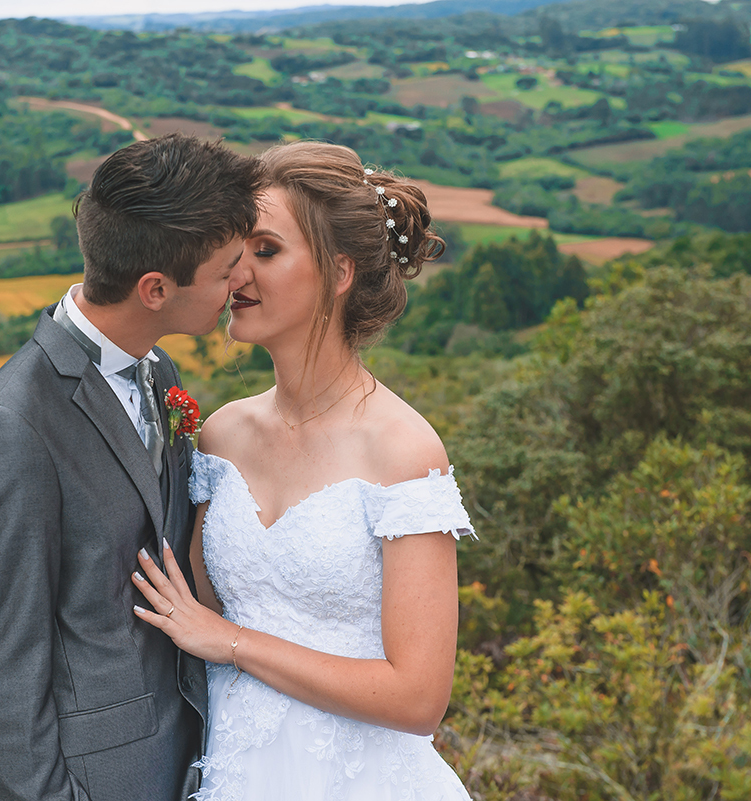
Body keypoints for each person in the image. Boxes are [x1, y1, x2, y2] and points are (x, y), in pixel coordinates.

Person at [131, 140, 477, 800]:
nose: (236, 275)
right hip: (233, 768)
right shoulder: (223, 434)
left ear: (338, 272)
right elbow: (198, 609)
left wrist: (234, 643)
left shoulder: (403, 450)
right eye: (236, 252)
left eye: (265, 251)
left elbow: (418, 698)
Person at [0, 134, 265, 801]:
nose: (241, 280)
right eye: (227, 268)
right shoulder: (7, 429)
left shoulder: (159, 369)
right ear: (155, 288)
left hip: (180, 757)